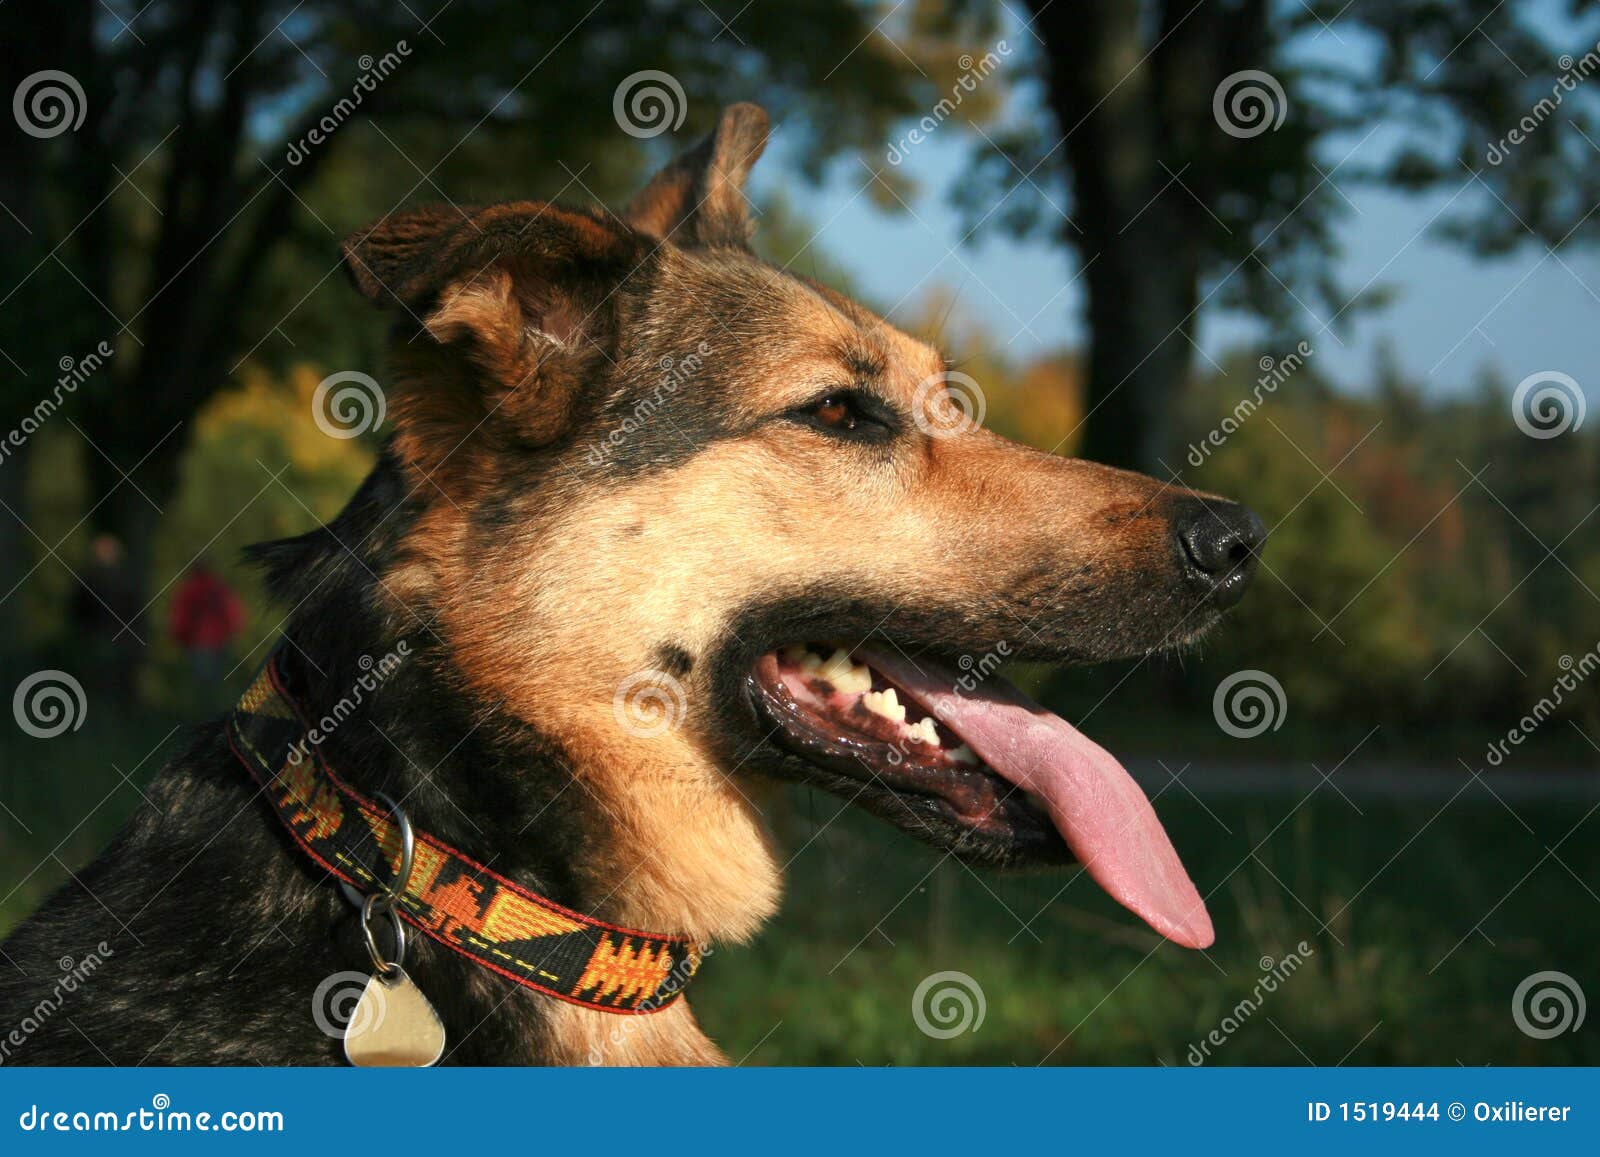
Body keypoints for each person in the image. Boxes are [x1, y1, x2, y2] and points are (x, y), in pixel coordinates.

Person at [169, 562, 245, 688]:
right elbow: (233, 613)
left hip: (196, 642)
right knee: (218, 682)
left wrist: (180, 638)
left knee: (199, 683)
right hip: (219, 641)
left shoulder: (188, 589)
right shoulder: (218, 588)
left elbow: (180, 617)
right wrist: (232, 634)